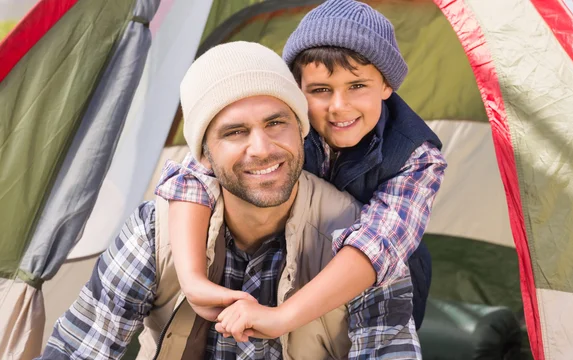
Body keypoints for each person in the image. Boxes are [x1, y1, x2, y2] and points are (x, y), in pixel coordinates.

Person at [24, 41, 431, 360]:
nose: (262, 149)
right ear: (203, 155)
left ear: (301, 130)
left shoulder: (359, 238)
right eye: (235, 132)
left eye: (276, 123)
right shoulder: (156, 232)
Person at [156, 0, 447, 341]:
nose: (339, 107)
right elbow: (192, 175)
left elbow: (378, 244)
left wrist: (283, 317)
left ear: (386, 86)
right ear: (296, 91)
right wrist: (193, 281)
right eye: (321, 91)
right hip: (291, 261)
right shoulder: (284, 127)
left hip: (373, 283)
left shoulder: (417, 155)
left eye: (357, 86)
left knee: (361, 358)